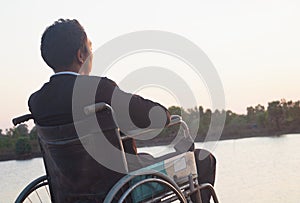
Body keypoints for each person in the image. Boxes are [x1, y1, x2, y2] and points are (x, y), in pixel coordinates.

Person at [28, 19, 216, 203]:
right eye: (90, 47)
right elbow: (155, 116)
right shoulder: (98, 90)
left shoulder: (37, 102)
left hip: (69, 192)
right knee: (202, 160)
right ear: (81, 55)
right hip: (120, 187)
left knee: (145, 158)